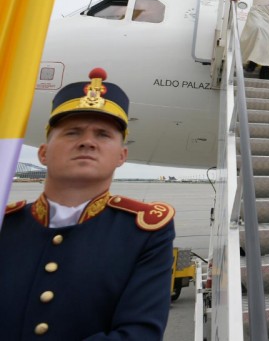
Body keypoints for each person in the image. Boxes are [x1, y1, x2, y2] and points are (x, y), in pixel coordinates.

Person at [0, 68, 176, 340]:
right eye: (72, 133)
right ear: (43, 153)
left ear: (121, 156)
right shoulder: (6, 225)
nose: (87, 142)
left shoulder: (145, 232)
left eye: (103, 135)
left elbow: (140, 333)